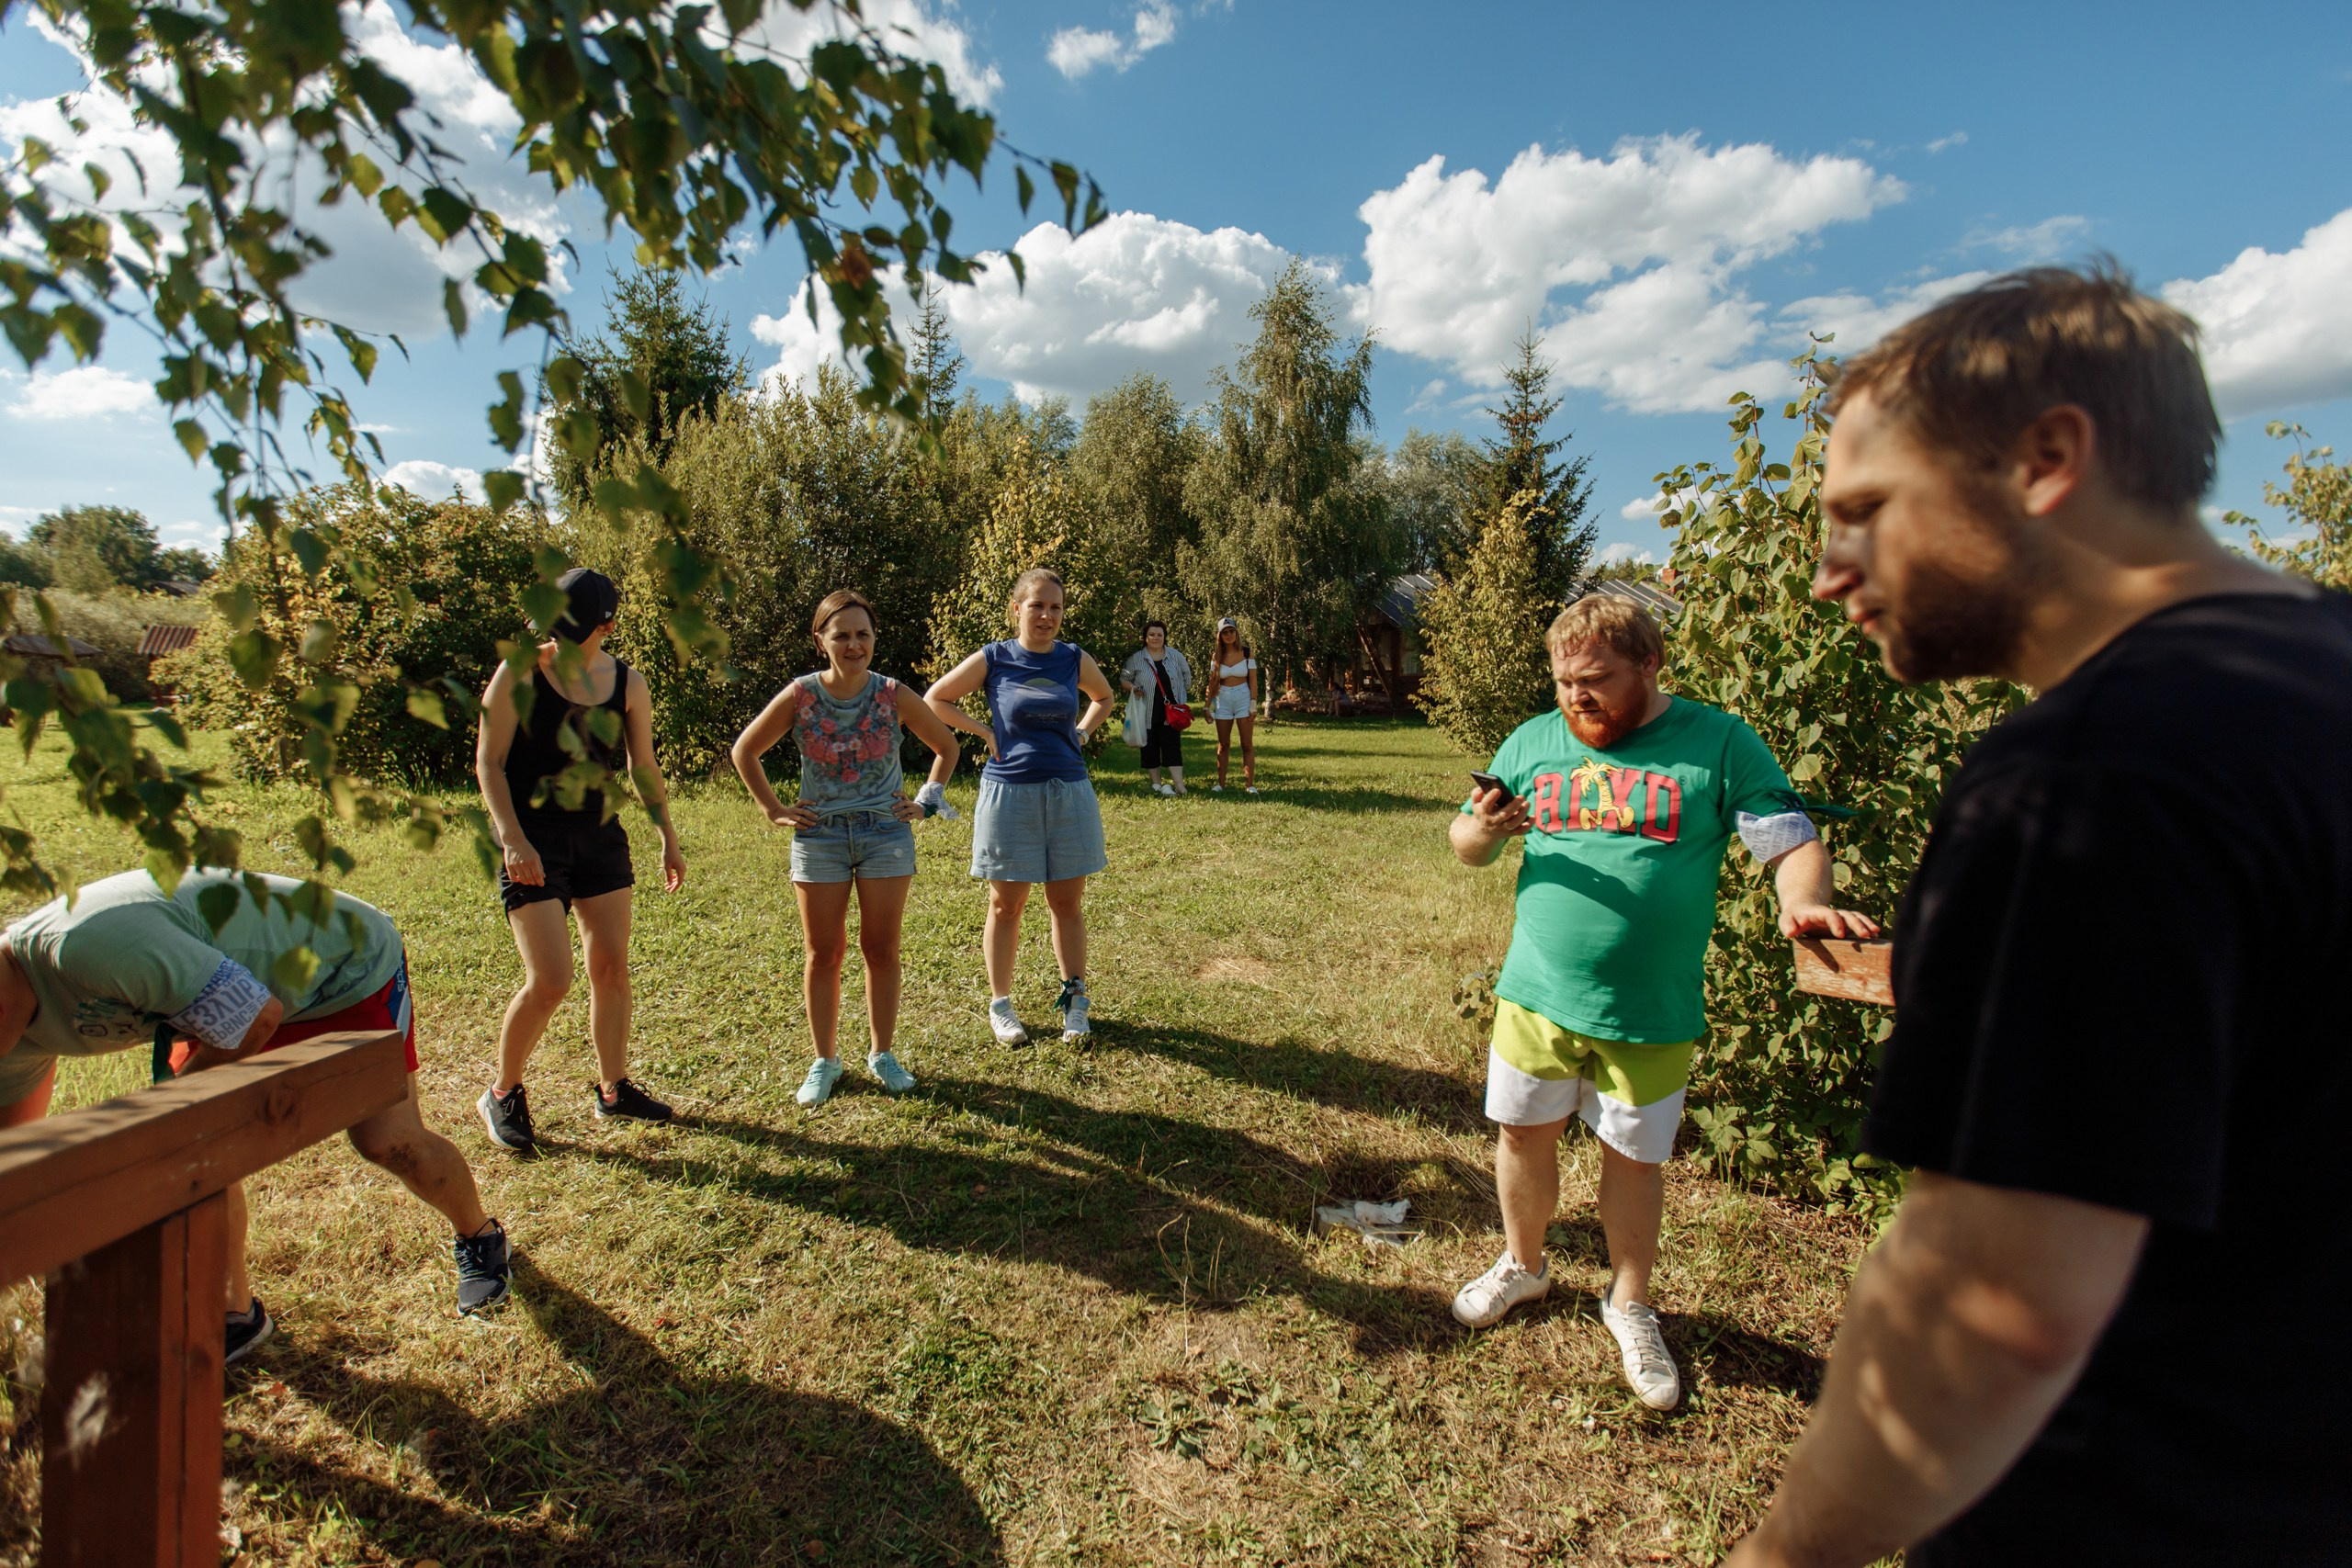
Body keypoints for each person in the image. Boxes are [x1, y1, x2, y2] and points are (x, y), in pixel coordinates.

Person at [1725, 268, 2350, 1566]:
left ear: (2046, 458)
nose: (1830, 573)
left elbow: (1991, 1311)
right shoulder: (2311, 679)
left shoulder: (2090, 774)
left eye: (1865, 511)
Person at [1449, 594, 1876, 1411]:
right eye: (1563, 682)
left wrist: (1803, 900)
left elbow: (1789, 837)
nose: (1575, 698)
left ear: (1649, 664)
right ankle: (1524, 1265)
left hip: (1651, 1009)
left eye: (1595, 680)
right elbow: (1466, 842)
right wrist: (1486, 829)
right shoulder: (1532, 741)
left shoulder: (1718, 742)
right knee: (1522, 1133)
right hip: (1536, 993)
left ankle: (1629, 1302)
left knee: (1634, 1159)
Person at [0, 869, 513, 1358]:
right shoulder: (12, 1034)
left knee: (387, 1140)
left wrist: (172, 1114)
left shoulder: (83, 945)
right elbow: (15, 1168)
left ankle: (479, 1234)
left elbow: (253, 1015)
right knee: (199, 1149)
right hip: (213, 1001)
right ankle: (236, 1313)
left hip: (338, 969)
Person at [473, 567, 684, 1156]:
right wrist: (512, 839)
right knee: (551, 979)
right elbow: (489, 762)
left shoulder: (628, 684)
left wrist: (667, 835)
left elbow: (643, 766)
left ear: (606, 627)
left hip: (599, 839)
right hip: (532, 839)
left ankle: (614, 1091)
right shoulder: (519, 671)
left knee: (611, 969)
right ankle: (502, 1091)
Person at [730, 590, 961, 1107]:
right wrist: (773, 809)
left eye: (863, 634)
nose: (854, 645)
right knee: (823, 953)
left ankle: (883, 1054)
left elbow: (947, 746)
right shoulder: (801, 695)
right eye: (842, 636)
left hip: (885, 836)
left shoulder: (893, 694)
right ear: (821, 641)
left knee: (881, 950)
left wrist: (926, 802)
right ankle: (825, 1060)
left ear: (874, 639)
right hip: (821, 838)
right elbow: (745, 750)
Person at [924, 568, 1115, 1045]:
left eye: (1055, 607)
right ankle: (1001, 1006)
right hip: (1008, 794)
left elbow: (1104, 696)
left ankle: (1075, 1001)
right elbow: (936, 699)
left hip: (1068, 792)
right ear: (1017, 609)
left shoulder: (1073, 658)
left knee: (1066, 904)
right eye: (1037, 606)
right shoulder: (995, 658)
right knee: (1005, 905)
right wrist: (985, 732)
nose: (1047, 616)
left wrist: (1083, 732)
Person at [1120, 620, 1193, 795]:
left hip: (1171, 712)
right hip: (1147, 710)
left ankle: (1179, 785)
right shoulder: (1137, 659)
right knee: (1149, 747)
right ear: (1145, 637)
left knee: (1172, 746)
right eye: (1151, 634)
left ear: (1165, 637)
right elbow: (1124, 679)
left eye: (1159, 634)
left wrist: (1181, 695)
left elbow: (1187, 677)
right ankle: (1156, 784)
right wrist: (1134, 688)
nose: (1155, 638)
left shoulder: (1176, 656)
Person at [1204, 615, 1260, 794]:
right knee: (1223, 744)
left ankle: (1249, 785)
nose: (1228, 635)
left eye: (1231, 631)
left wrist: (1253, 703)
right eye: (1225, 632)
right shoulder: (1217, 656)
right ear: (1220, 636)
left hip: (1243, 697)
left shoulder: (1247, 653)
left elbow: (1253, 680)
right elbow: (1213, 683)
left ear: (1236, 633)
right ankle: (1221, 784)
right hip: (1223, 699)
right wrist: (1208, 707)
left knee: (1247, 743)